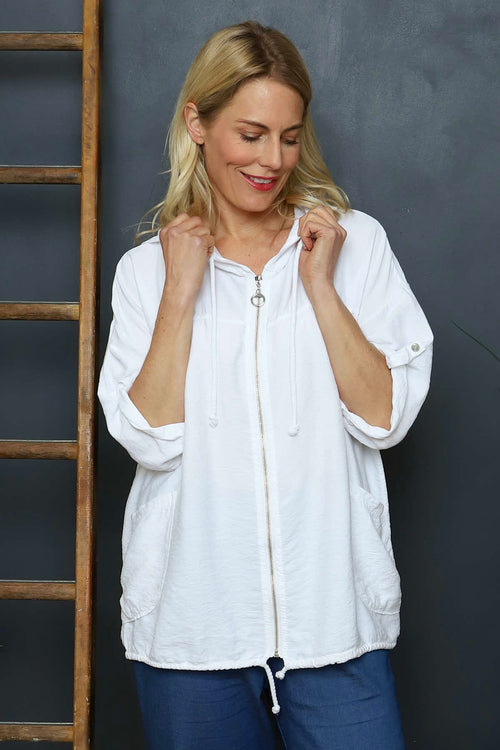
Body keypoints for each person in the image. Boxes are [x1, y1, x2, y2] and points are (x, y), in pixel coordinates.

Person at [98, 20, 433, 750]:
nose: (272, 160)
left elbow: (385, 418)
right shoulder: (146, 273)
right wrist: (180, 292)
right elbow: (146, 439)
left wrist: (320, 287)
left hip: (334, 621)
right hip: (192, 629)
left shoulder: (354, 245)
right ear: (197, 123)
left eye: (288, 137)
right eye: (250, 135)